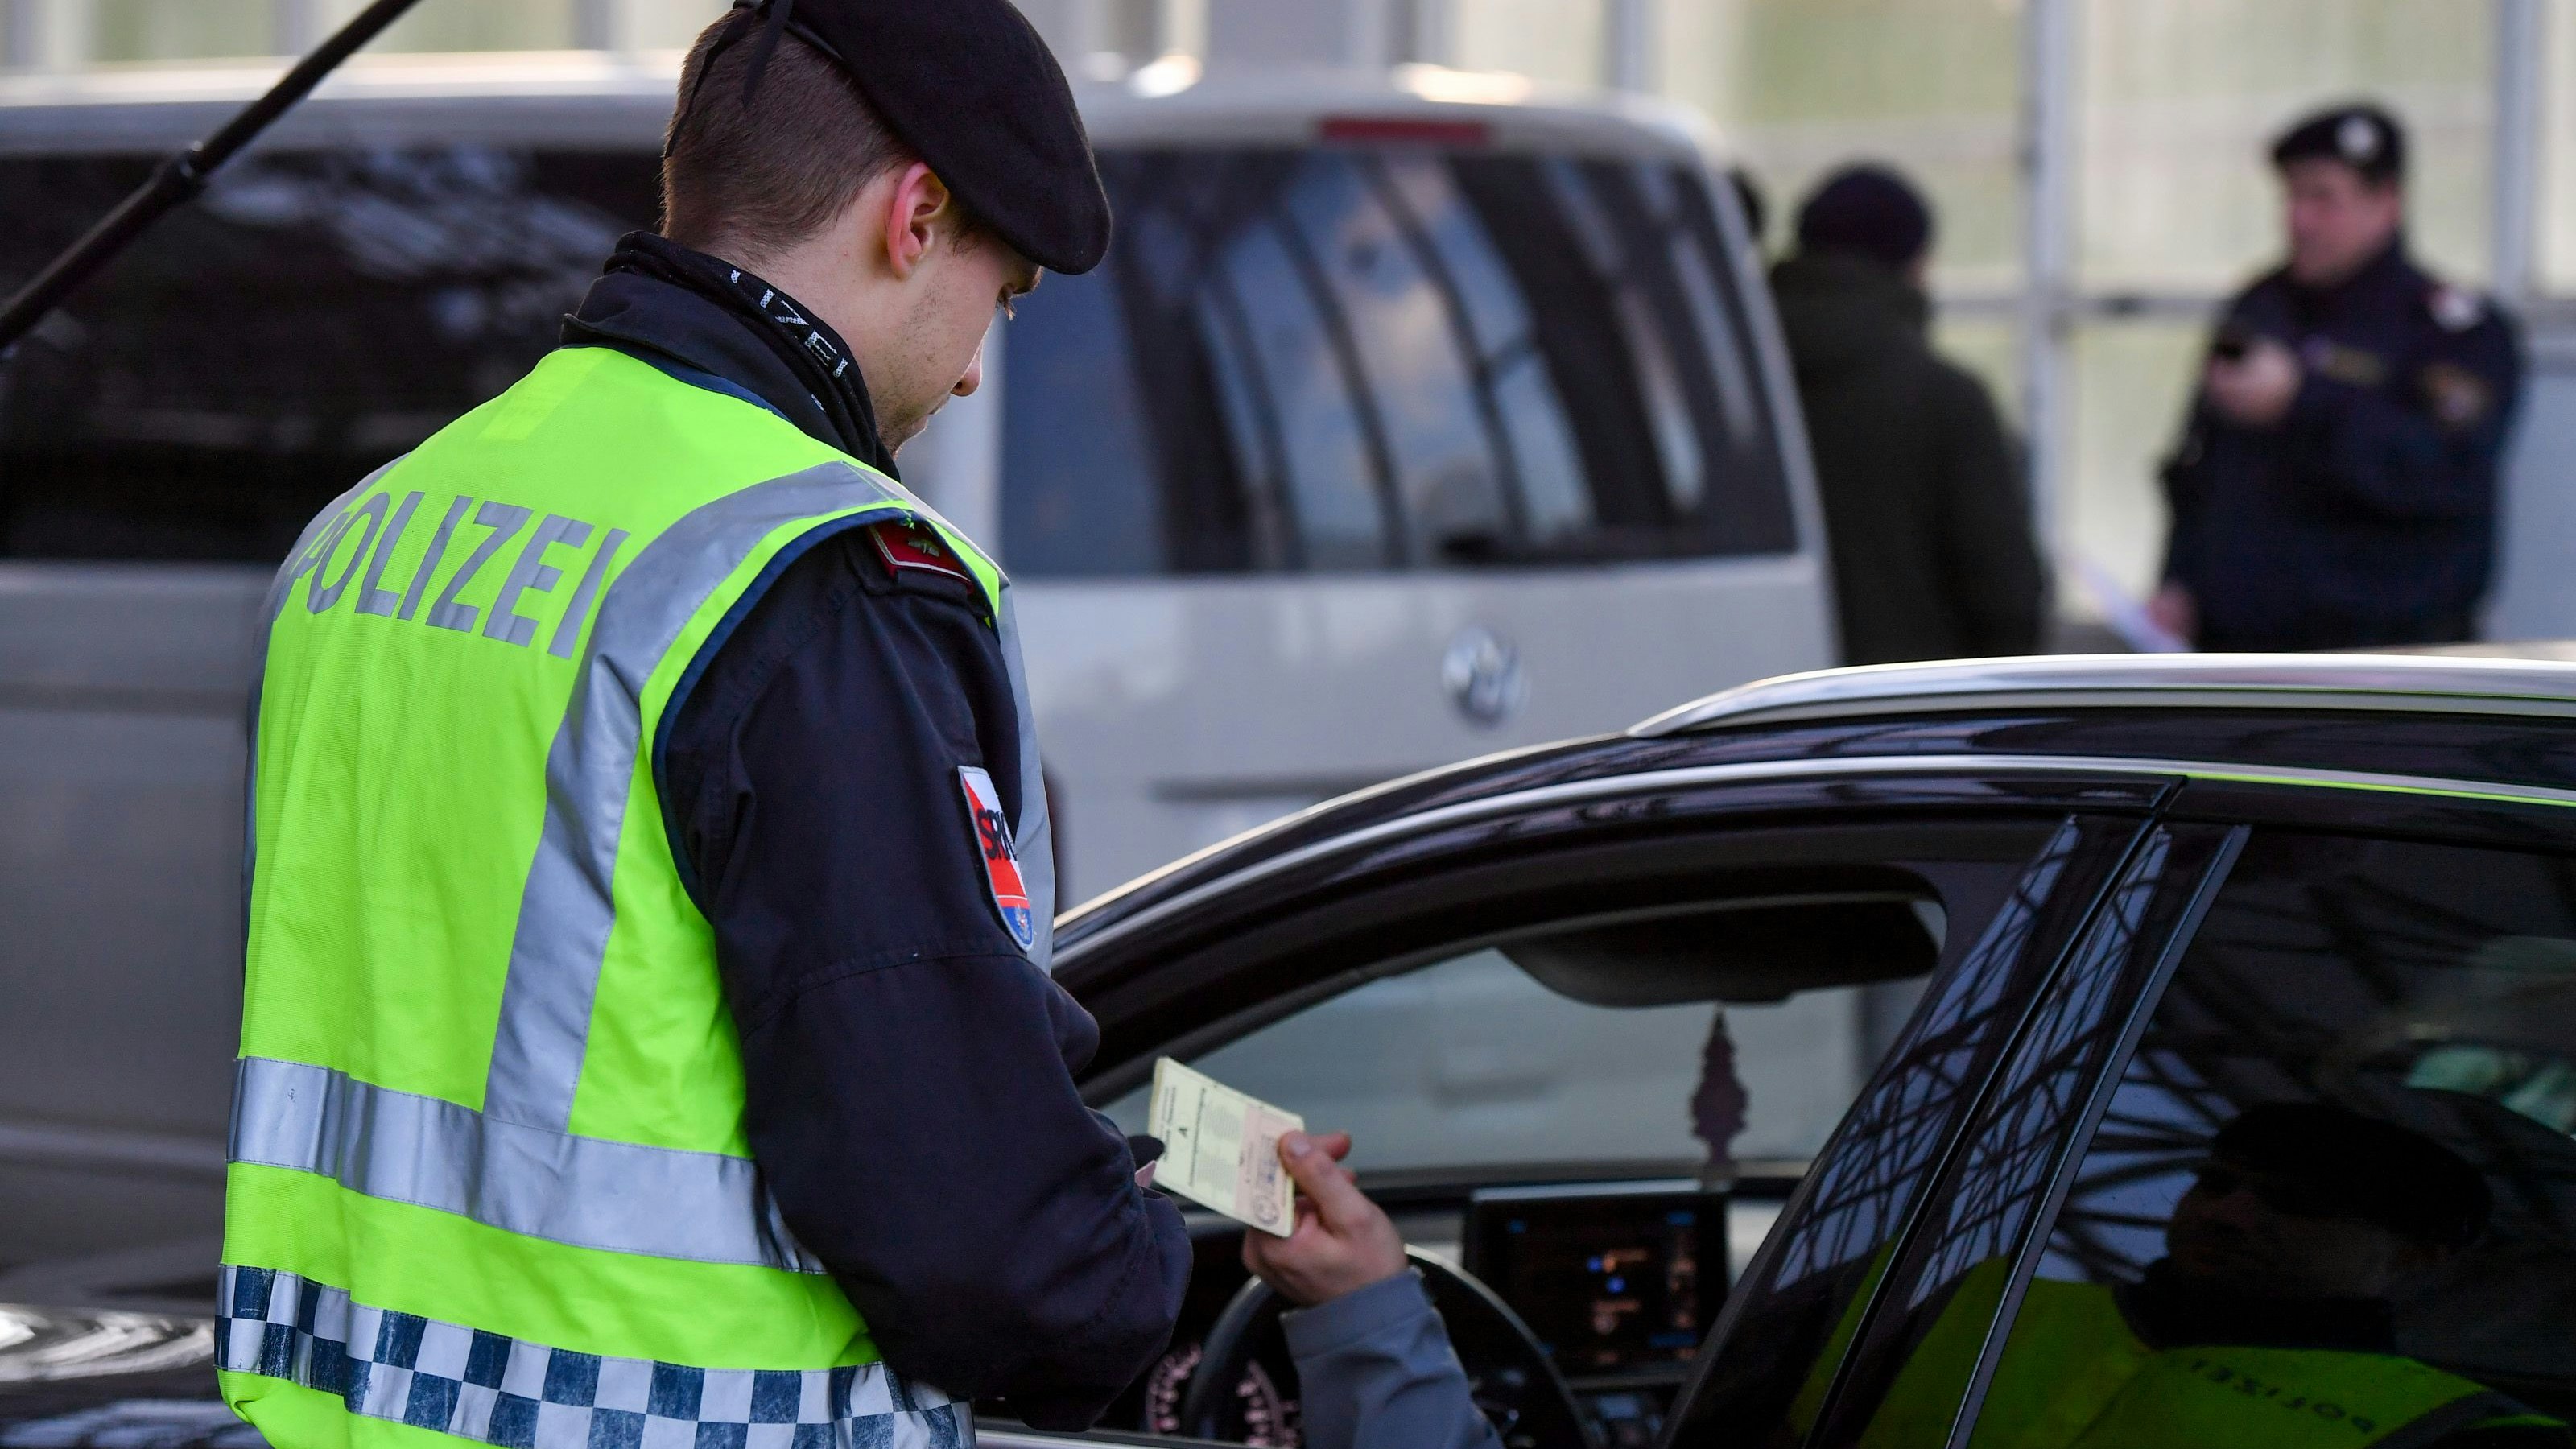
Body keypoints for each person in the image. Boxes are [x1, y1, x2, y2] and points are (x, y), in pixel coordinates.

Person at [217, 3, 1188, 1446]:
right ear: (917, 216)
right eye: (1005, 294)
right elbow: (974, 1227)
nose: (976, 368)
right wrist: (1151, 1275)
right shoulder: (812, 582)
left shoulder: (370, 534)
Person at [1253, 1106, 2566, 1449]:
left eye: (2295, 1203)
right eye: (2218, 1177)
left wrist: (1368, 1322)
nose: (2229, 1212)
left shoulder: (2465, 1438)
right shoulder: (1952, 1292)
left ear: (2423, 1254)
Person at [2150, 103, 2524, 652]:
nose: (2299, 219)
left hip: (2386, 657)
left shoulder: (2451, 331)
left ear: (2387, 202)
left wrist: (2302, 401)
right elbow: (2198, 465)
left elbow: (2444, 473)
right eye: (2291, 196)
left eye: (2324, 198)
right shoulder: (2260, 308)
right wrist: (2178, 579)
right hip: (2240, 655)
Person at [1769, 164, 2046, 666]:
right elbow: (2007, 600)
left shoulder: (1730, 385)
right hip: (1904, 699)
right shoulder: (1945, 400)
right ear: (1914, 265)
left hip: (1749, 693)